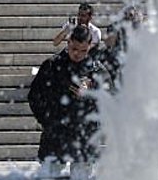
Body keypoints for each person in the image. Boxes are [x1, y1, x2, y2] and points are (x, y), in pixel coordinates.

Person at [28, 24, 105, 166]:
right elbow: (34, 96)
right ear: (68, 42)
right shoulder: (52, 65)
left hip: (84, 137)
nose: (78, 54)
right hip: (56, 135)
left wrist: (92, 90)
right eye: (74, 49)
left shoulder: (96, 69)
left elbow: (110, 98)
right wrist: (47, 121)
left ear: (89, 46)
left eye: (83, 50)